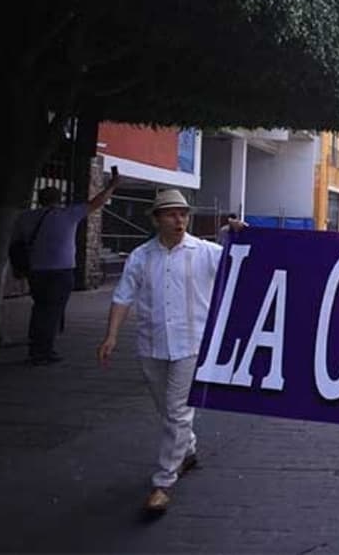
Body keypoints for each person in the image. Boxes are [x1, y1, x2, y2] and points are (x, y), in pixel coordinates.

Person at [96, 189, 242, 514]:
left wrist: (238, 234)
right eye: (171, 214)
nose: (179, 220)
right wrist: (111, 336)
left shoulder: (205, 252)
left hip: (191, 344)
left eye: (183, 214)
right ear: (157, 219)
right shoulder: (140, 257)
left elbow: (242, 260)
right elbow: (123, 296)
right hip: (152, 344)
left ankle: (163, 482)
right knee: (165, 409)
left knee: (176, 411)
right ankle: (187, 449)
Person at [12, 167, 121, 365]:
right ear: (59, 198)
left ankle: (36, 345)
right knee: (53, 310)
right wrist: (111, 186)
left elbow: (17, 242)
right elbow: (97, 202)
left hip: (36, 270)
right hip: (60, 271)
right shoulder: (67, 215)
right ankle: (44, 350)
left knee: (40, 308)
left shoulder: (26, 218)